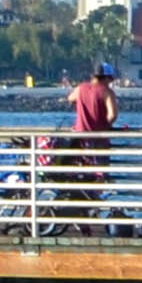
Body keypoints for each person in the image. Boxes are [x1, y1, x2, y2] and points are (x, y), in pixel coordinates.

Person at [59, 60, 119, 234]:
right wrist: (104, 124)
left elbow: (70, 98)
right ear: (107, 78)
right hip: (98, 141)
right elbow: (112, 115)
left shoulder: (81, 88)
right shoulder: (107, 92)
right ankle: (90, 209)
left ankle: (82, 212)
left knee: (81, 178)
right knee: (99, 178)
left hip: (78, 142)